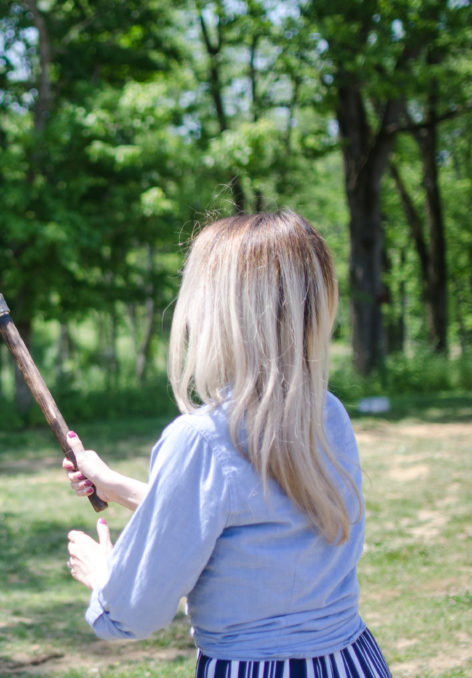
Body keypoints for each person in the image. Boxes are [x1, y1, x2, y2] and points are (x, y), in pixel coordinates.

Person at [63, 210, 392, 677]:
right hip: (352, 662)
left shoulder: (201, 440)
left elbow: (134, 612)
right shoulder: (326, 413)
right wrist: (118, 486)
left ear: (218, 311)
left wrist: (104, 575)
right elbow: (257, 527)